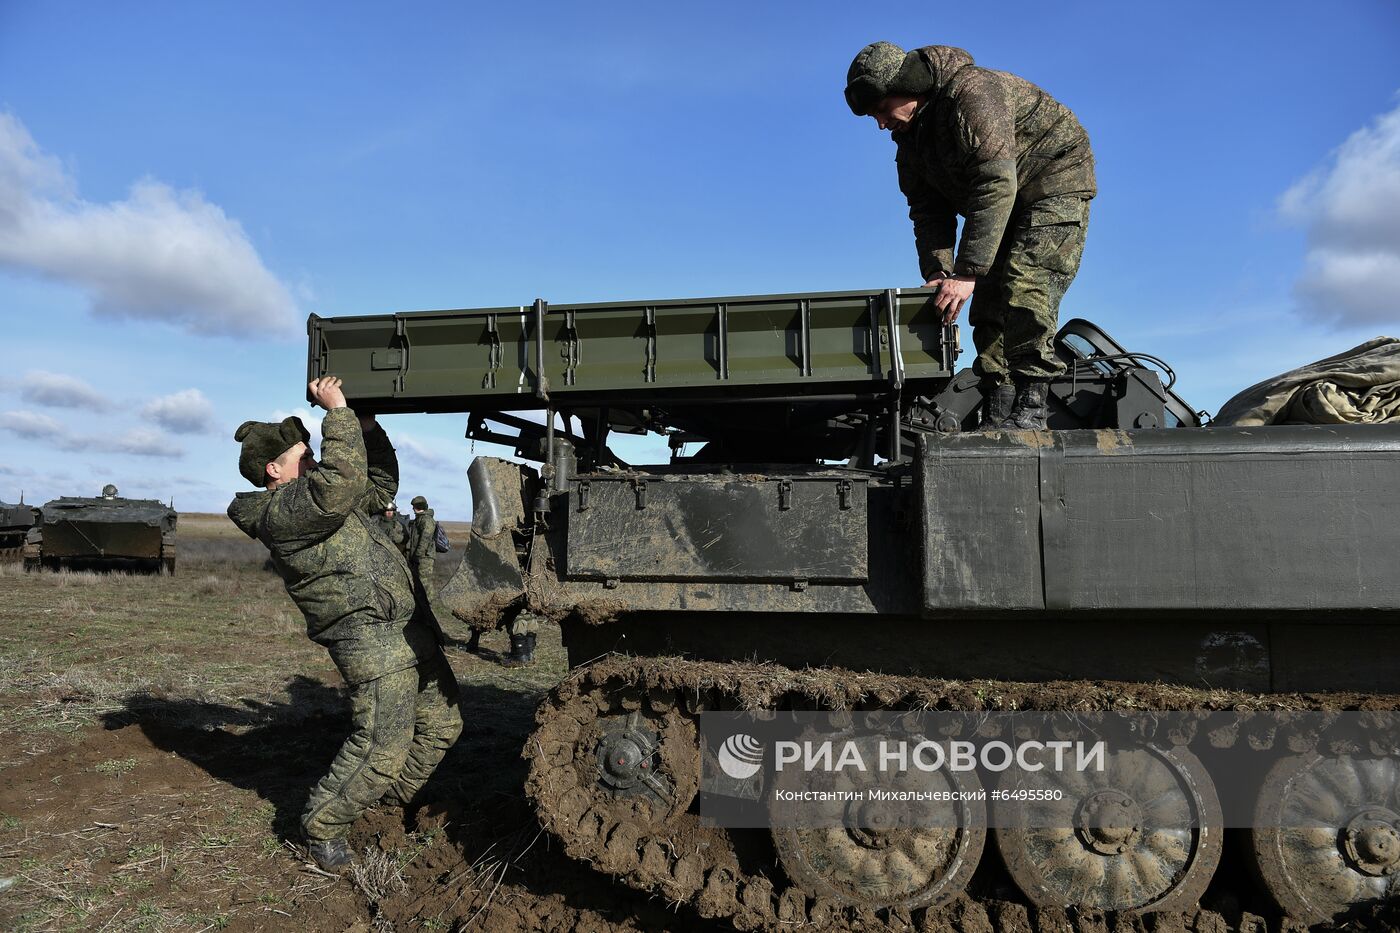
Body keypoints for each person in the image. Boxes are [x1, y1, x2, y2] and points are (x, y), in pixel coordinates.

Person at [226, 376, 463, 873]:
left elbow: (376, 488)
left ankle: (383, 804)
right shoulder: (282, 511)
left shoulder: (316, 496)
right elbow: (341, 484)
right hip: (372, 643)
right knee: (380, 746)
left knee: (443, 724)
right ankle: (323, 827)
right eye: (301, 456)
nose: (311, 461)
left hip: (406, 628)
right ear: (274, 468)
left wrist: (369, 428)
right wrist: (338, 412)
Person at [844, 42, 1096, 429]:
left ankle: (1030, 411)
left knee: (1026, 286)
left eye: (881, 109)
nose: (880, 123)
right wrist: (940, 272)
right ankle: (999, 405)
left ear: (907, 85)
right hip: (998, 202)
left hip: (1052, 182)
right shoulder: (910, 145)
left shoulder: (973, 91)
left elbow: (995, 181)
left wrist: (968, 271)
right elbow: (928, 212)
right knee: (987, 305)